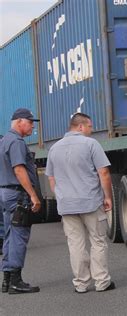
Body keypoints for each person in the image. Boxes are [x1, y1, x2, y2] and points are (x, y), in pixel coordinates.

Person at [45, 113, 115, 293]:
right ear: (81, 126)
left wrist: (61, 195)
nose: (91, 130)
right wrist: (107, 197)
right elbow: (104, 173)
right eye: (90, 127)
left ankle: (81, 283)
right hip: (90, 201)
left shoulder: (54, 148)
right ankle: (101, 282)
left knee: (75, 244)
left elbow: (51, 179)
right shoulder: (91, 144)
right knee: (98, 241)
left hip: (67, 205)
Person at [0, 108, 41, 294]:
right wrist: (32, 195)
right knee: (18, 237)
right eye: (30, 121)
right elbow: (19, 169)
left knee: (9, 235)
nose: (33, 125)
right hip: (17, 194)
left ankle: (7, 280)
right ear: (18, 122)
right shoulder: (16, 141)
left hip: (7, 193)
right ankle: (15, 281)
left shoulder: (5, 140)